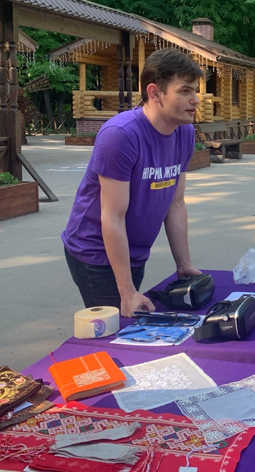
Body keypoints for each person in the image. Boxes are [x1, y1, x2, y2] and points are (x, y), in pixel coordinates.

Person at [62, 49, 205, 317]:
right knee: (119, 328)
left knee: (135, 321)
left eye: (195, 91)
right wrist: (126, 292)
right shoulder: (120, 135)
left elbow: (175, 204)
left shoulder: (184, 132)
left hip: (136, 251)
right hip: (96, 254)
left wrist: (183, 264)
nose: (195, 100)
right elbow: (112, 217)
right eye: (185, 91)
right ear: (155, 93)